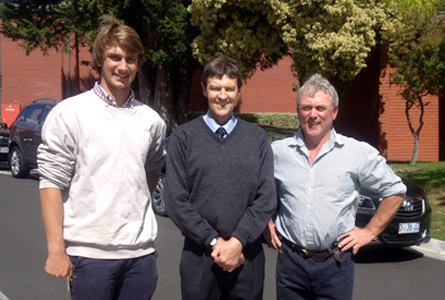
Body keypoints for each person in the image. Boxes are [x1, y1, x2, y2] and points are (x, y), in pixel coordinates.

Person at [37, 14, 166, 300]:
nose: (123, 66)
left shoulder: (151, 121)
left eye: (130, 59)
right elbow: (50, 183)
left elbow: (152, 170)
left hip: (141, 256)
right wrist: (56, 249)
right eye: (115, 57)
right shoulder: (70, 114)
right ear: (100, 60)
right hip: (90, 256)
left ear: (138, 63)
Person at [263, 73, 407, 300]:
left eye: (320, 108)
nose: (313, 115)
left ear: (334, 112)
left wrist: (369, 232)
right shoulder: (278, 152)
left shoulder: (356, 153)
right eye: (306, 107)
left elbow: (395, 190)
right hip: (290, 262)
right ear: (298, 110)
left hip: (335, 264)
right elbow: (256, 189)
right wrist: (266, 222)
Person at [164, 56, 276, 300]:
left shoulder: (257, 139)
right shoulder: (184, 138)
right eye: (215, 88)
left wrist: (237, 242)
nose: (222, 96)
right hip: (200, 255)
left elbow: (267, 197)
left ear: (238, 92)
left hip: (248, 255)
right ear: (205, 89)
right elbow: (175, 200)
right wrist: (215, 241)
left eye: (229, 89)